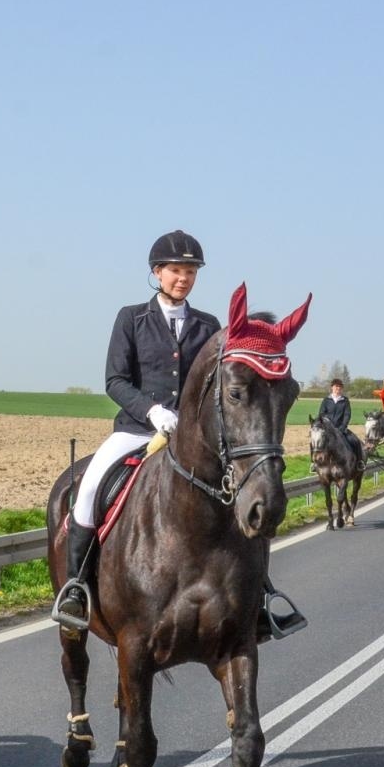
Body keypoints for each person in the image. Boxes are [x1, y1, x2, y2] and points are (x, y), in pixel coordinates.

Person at [50, 230, 306, 638]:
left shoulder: (208, 326)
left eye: (190, 271)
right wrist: (153, 412)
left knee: (243, 502)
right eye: (175, 270)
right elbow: (115, 380)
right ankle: (76, 588)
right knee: (87, 492)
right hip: (137, 430)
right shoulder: (131, 318)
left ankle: (258, 598)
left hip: (194, 440)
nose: (183, 278)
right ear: (157, 273)